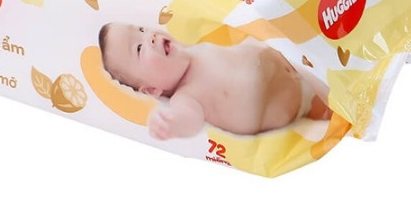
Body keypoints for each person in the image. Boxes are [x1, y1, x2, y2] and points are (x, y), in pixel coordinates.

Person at [98, 23, 332, 140]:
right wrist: (173, 124)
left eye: (141, 29)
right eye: (138, 48)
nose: (149, 36)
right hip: (293, 104)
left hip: (291, 65)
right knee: (328, 109)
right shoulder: (185, 97)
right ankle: (322, 109)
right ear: (151, 89)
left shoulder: (193, 49)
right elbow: (191, 121)